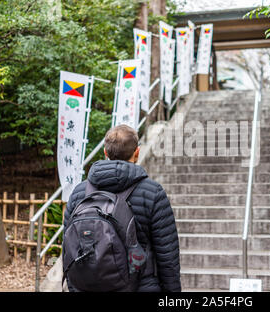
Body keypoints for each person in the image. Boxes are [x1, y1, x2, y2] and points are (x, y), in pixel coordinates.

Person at [63, 124, 181, 292]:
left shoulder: (79, 192)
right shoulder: (153, 192)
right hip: (141, 285)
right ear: (137, 153)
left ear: (105, 152)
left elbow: (68, 247)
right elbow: (167, 255)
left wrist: (74, 287)